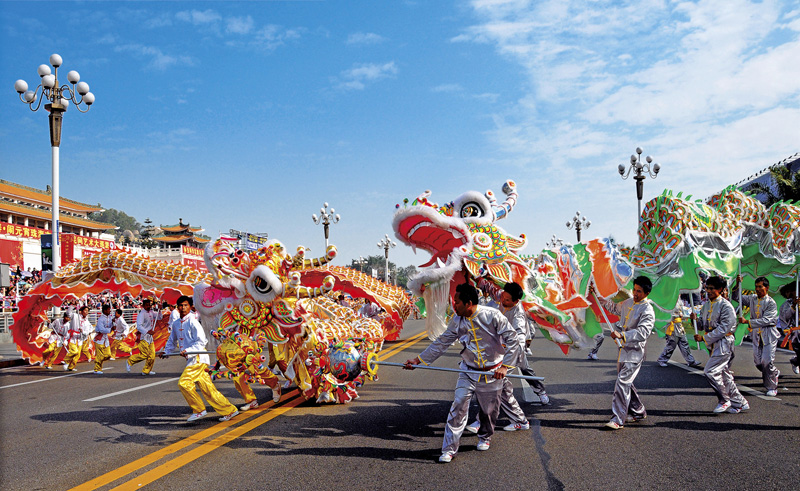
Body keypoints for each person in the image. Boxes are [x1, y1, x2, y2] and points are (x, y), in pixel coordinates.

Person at [403, 283, 520, 463]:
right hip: (468, 371)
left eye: (456, 302)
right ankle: (449, 449)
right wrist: (418, 360)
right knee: (458, 406)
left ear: (469, 303)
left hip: (492, 373)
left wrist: (505, 367)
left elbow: (513, 340)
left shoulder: (493, 315)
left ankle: (485, 437)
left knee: (489, 413)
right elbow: (442, 342)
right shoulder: (457, 321)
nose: (453, 305)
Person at [466, 281, 543, 435]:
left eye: (508, 300)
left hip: (508, 351)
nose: (503, 300)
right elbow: (489, 287)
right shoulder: (501, 296)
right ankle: (520, 420)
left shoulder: (518, 315)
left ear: (516, 301)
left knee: (490, 385)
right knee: (503, 389)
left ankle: (481, 422)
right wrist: (479, 277)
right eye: (503, 297)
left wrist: (506, 365)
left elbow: (518, 339)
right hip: (495, 348)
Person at [161, 295, 239, 422]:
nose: (183, 308)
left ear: (190, 307)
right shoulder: (176, 324)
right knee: (208, 389)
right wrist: (166, 352)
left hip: (197, 357)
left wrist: (188, 351)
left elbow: (202, 341)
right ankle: (229, 410)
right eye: (180, 305)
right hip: (192, 358)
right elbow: (171, 340)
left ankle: (199, 410)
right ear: (177, 307)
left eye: (185, 305)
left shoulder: (193, 321)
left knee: (184, 383)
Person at [596, 276, 655, 430]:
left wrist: (622, 335)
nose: (635, 293)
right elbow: (612, 307)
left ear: (647, 293)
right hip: (622, 350)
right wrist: (596, 294)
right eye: (634, 290)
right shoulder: (628, 302)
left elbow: (643, 332)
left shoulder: (648, 310)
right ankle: (639, 411)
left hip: (635, 352)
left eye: (639, 291)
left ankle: (618, 419)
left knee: (622, 383)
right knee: (626, 383)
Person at [693, 276, 749, 413]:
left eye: (712, 288)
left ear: (720, 290)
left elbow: (724, 328)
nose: (708, 291)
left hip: (724, 343)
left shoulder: (726, 306)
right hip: (713, 344)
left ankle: (724, 400)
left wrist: (704, 338)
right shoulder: (706, 305)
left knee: (710, 372)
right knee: (724, 375)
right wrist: (694, 321)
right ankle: (740, 402)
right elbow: (703, 325)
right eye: (707, 288)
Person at [733, 275, 780, 396]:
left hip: (769, 333)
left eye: (760, 287)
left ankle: (772, 387)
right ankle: (774, 372)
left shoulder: (771, 303)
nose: (757, 289)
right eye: (756, 287)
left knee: (767, 362)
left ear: (767, 288)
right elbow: (736, 297)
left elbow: (767, 320)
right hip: (756, 334)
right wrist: (738, 284)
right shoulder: (752, 299)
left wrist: (748, 322)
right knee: (759, 363)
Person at [657, 298, 702, 369]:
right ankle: (662, 359)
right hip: (672, 325)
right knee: (672, 344)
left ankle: (691, 361)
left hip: (680, 325)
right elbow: (666, 313)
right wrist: (676, 315)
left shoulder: (679, 300)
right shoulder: (669, 300)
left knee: (684, 343)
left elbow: (683, 311)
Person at [127, 298, 163, 375]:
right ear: (143, 306)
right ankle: (130, 361)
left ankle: (147, 370)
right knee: (144, 354)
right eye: (146, 305)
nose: (148, 306)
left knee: (152, 355)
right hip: (143, 337)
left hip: (150, 337)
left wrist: (159, 310)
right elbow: (139, 326)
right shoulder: (141, 314)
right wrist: (147, 331)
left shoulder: (151, 312)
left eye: (149, 305)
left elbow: (159, 317)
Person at [777, 283, 800, 375]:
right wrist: (794, 306)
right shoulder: (786, 305)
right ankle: (796, 361)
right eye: (786, 292)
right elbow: (785, 318)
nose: (789, 294)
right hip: (795, 332)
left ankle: (795, 361)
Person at [63, 306, 93, 371]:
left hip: (80, 339)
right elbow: (68, 313)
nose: (86, 312)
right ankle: (66, 361)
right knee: (74, 351)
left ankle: (71, 367)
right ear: (81, 311)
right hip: (73, 337)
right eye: (85, 310)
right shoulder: (75, 316)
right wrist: (72, 306)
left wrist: (83, 332)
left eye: (87, 311)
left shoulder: (87, 321)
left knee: (77, 355)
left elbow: (88, 331)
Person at [92, 304, 114, 374]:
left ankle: (97, 360)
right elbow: (101, 330)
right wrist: (110, 329)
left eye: (109, 309)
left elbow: (111, 326)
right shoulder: (101, 319)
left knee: (108, 355)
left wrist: (114, 323)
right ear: (104, 310)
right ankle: (97, 369)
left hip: (105, 339)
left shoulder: (110, 317)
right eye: (108, 310)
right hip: (99, 338)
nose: (109, 311)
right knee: (99, 355)